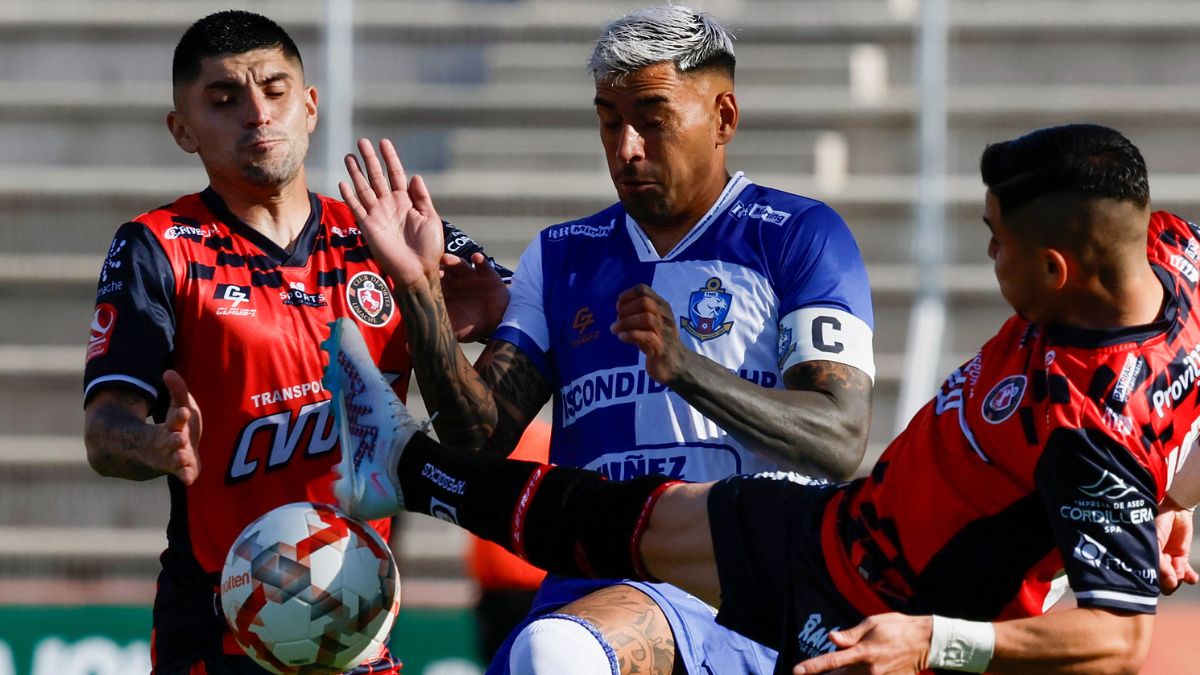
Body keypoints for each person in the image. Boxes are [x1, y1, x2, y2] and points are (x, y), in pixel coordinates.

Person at [324, 122, 1200, 675]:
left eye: (996, 243)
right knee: (622, 513)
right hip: (839, 528)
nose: (989, 257)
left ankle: (400, 464)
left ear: (1058, 268)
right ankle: (398, 463)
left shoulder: (1088, 428)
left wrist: (932, 640)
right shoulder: (1174, 255)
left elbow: (1119, 640)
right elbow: (1169, 416)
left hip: (878, 615)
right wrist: (1167, 489)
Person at [337, 5, 875, 674]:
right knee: (552, 650)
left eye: (652, 120)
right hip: (588, 579)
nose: (626, 147)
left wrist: (687, 369)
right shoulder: (561, 256)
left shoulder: (799, 236)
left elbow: (838, 436)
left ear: (724, 119)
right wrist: (421, 295)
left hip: (734, 585)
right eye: (609, 119)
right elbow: (476, 441)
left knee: (556, 654)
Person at [81, 11, 508, 674]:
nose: (258, 113)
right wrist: (152, 444)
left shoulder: (388, 235)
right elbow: (105, 428)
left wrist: (426, 294)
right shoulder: (158, 245)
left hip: (356, 620)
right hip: (221, 626)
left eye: (276, 91)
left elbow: (478, 432)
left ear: (309, 107)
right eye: (224, 99)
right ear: (182, 130)